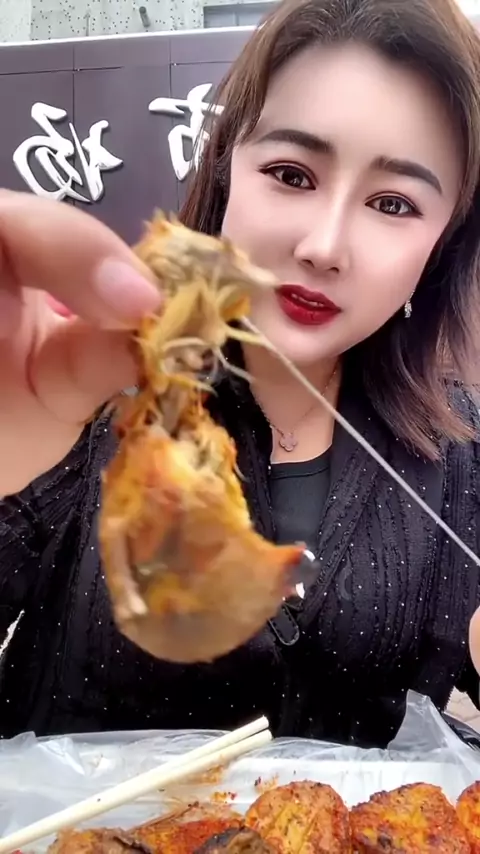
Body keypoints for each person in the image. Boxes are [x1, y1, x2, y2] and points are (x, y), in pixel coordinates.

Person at [1, 0, 480, 749]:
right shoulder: (81, 391)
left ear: (443, 242)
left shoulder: (461, 453)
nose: (324, 246)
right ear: (227, 170)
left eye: (393, 203)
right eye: (291, 174)